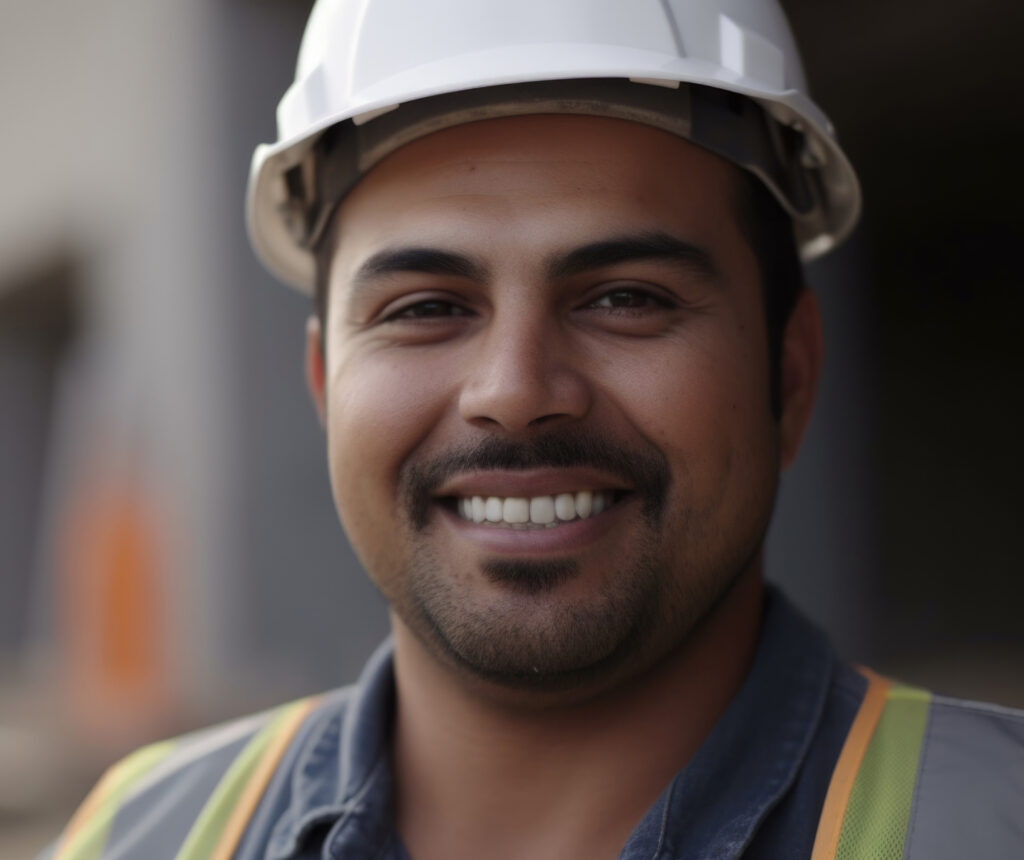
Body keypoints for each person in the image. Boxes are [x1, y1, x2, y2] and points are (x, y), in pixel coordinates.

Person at [46, 1, 1024, 859]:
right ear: (322, 385)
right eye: (426, 306)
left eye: (626, 297)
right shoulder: (137, 837)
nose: (514, 391)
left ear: (789, 374)